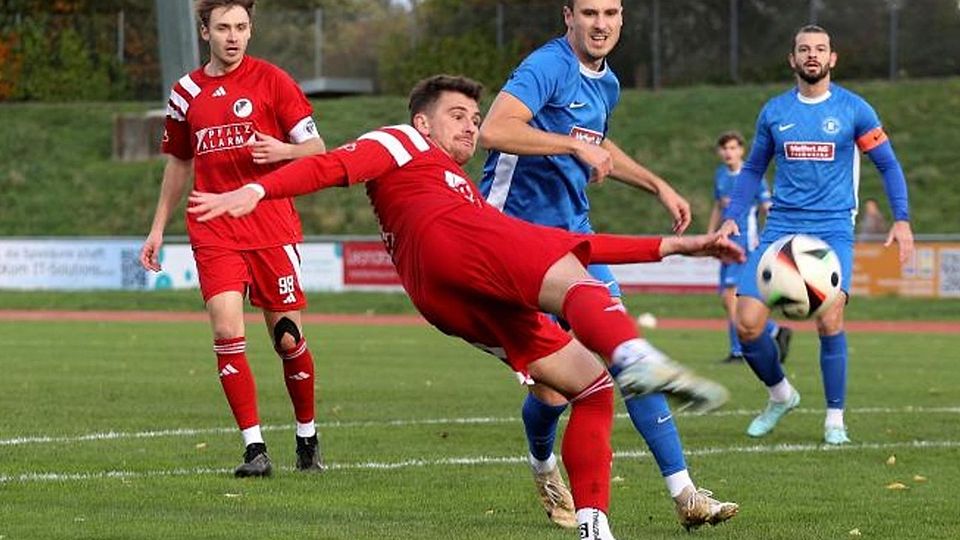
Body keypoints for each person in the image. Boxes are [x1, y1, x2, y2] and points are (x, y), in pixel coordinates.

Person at [188, 75, 743, 539]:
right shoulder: (402, 139)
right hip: (448, 252)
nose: (471, 126)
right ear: (425, 122)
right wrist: (260, 192)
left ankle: (593, 522)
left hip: (448, 294)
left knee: (590, 385)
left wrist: (677, 248)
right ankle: (633, 353)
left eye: (475, 118)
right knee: (573, 277)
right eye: (458, 115)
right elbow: (331, 166)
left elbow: (571, 248)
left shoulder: (463, 189)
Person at [477, 0, 735, 529]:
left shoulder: (606, 82)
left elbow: (596, 143)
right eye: (589, 12)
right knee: (555, 391)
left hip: (577, 244)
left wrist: (657, 184)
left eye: (611, 12)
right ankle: (544, 464)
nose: (601, 23)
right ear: (567, 15)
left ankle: (685, 494)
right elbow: (496, 131)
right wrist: (571, 144)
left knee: (628, 357)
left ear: (622, 19)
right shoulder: (547, 66)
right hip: (516, 247)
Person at [139, 0, 327, 477]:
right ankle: (254, 449)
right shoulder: (185, 93)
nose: (233, 36)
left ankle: (307, 435)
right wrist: (158, 227)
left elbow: (317, 150)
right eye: (222, 27)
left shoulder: (274, 81)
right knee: (226, 330)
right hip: (213, 226)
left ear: (250, 29)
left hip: (271, 226)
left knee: (288, 340)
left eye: (241, 26)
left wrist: (282, 149)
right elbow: (180, 163)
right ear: (205, 32)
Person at [718, 25, 914, 445]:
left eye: (820, 49)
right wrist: (734, 214)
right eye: (804, 49)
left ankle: (834, 420)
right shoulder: (774, 112)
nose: (812, 55)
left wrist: (902, 218)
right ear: (792, 60)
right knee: (747, 323)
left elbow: (889, 165)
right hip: (782, 228)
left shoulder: (854, 110)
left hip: (832, 229)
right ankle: (781, 395)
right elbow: (753, 169)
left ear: (832, 59)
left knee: (830, 317)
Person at [707, 131, 791, 364]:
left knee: (731, 297)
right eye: (724, 148)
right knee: (730, 301)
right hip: (726, 244)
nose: (728, 152)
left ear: (741, 150)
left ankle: (738, 350)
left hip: (746, 243)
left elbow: (767, 207)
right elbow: (718, 206)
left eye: (733, 148)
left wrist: (775, 237)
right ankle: (774, 330)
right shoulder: (720, 175)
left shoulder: (753, 176)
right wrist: (710, 234)